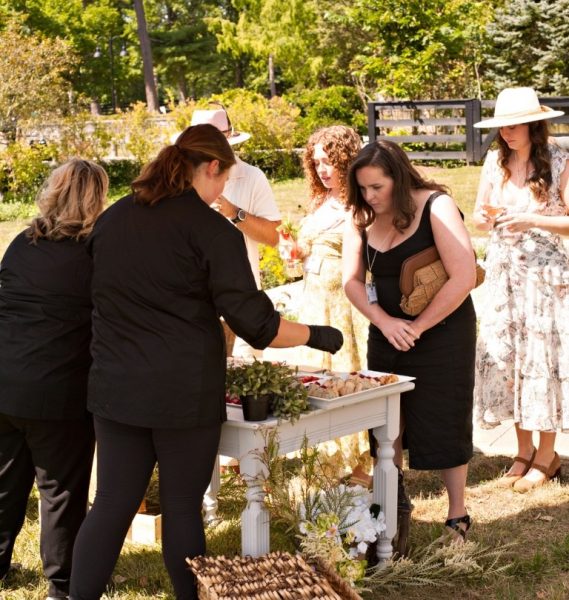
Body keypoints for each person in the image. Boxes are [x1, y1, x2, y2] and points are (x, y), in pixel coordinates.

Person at [68, 124, 343, 600]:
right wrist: (320, 334)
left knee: (110, 503)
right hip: (182, 390)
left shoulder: (113, 219)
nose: (221, 191)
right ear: (211, 167)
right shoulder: (212, 230)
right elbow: (259, 324)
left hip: (116, 385)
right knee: (181, 508)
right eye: (222, 180)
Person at [342, 140, 477, 542]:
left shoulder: (436, 206)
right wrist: (383, 322)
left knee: (445, 416)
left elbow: (463, 276)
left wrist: (418, 326)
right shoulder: (361, 217)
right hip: (386, 334)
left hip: (442, 334)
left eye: (377, 188)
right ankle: (393, 506)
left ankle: (457, 514)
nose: (369, 196)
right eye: (362, 189)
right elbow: (350, 282)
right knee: (385, 424)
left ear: (398, 179)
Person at [0, 159, 108, 599]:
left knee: (5, 483)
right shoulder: (95, 252)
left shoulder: (22, 243)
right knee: (60, 491)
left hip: (6, 381)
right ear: (94, 200)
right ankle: (62, 585)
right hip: (58, 392)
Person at [472, 86, 568, 492]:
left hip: (544, 277)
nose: (506, 134)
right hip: (503, 274)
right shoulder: (495, 161)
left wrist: (531, 219)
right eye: (501, 127)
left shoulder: (561, 159)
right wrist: (487, 216)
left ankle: (548, 455)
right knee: (508, 358)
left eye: (513, 126)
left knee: (540, 359)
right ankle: (522, 450)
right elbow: (478, 215)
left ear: (532, 124)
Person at [183, 106, 282, 358]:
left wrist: (234, 213)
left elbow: (273, 236)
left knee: (243, 390)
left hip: (241, 304)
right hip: (192, 307)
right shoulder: (179, 179)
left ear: (229, 138)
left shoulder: (252, 176)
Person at [294, 125, 368, 373]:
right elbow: (310, 244)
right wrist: (295, 251)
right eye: (316, 163)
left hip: (345, 305)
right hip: (314, 300)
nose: (322, 170)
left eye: (328, 161)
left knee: (347, 371)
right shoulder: (319, 199)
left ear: (345, 160)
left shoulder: (360, 201)